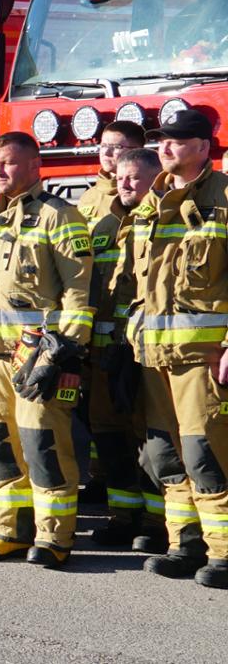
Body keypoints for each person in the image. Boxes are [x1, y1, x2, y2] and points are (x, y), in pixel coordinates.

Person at [0, 132, 94, 568]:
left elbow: (78, 294)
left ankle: (54, 538)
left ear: (35, 167)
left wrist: (66, 356)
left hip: (37, 360)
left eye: (9, 163)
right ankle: (9, 530)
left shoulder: (60, 216)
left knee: (43, 445)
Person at [131, 109, 228, 589]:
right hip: (155, 357)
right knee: (167, 455)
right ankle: (184, 546)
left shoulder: (223, 196)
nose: (164, 148)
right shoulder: (152, 202)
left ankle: (225, 553)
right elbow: (141, 280)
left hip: (202, 356)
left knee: (205, 451)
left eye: (176, 140)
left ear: (203, 147)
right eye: (161, 141)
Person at [83, 147, 157, 549]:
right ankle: (123, 517)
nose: (124, 183)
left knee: (150, 442)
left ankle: (157, 525)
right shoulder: (106, 225)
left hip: (144, 354)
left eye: (133, 177)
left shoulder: (164, 222)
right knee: (109, 439)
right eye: (121, 176)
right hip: (105, 354)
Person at [77, 120, 147, 222]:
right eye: (103, 145)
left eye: (116, 147)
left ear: (136, 150)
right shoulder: (88, 197)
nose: (106, 152)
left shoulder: (146, 193)